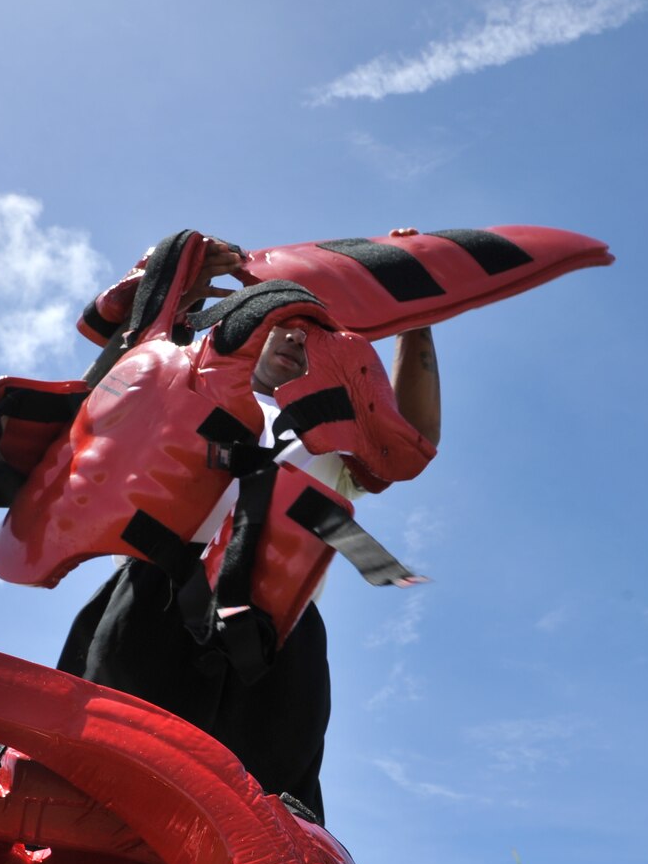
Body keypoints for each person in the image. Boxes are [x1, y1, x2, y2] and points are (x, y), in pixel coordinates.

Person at [57, 231, 442, 821]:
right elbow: (110, 375)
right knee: (104, 772)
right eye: (278, 320)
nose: (293, 334)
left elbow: (415, 437)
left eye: (312, 331)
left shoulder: (334, 437)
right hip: (152, 602)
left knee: (271, 804)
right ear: (240, 324)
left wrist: (418, 317)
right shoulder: (174, 384)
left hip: (279, 630)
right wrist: (174, 278)